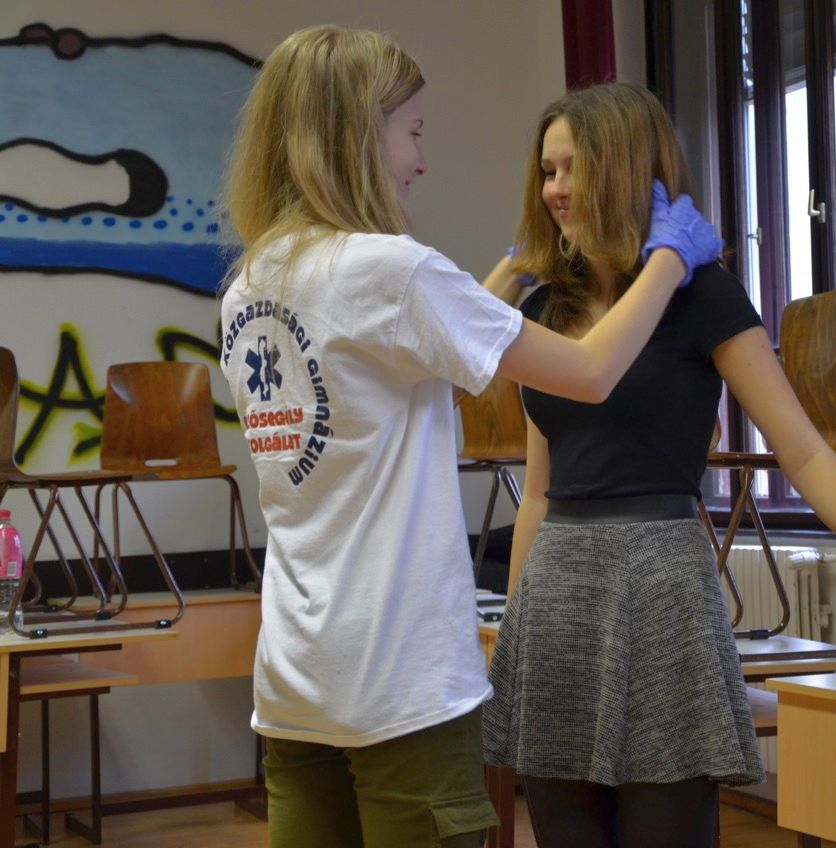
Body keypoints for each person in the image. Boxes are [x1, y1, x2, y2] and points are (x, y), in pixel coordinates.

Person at [217, 27, 722, 848]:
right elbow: (591, 372)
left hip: (297, 681)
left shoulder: (251, 285)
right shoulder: (391, 270)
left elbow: (408, 378)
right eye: (411, 131)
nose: (419, 160)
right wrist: (669, 261)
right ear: (358, 135)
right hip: (400, 683)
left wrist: (506, 278)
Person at [481, 82, 836, 848]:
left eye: (572, 169)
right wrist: (516, 627)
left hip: (663, 591)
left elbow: (803, 448)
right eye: (546, 170)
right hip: (558, 600)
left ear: (625, 169)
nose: (554, 189)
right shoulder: (541, 310)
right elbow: (538, 493)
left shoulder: (702, 294)